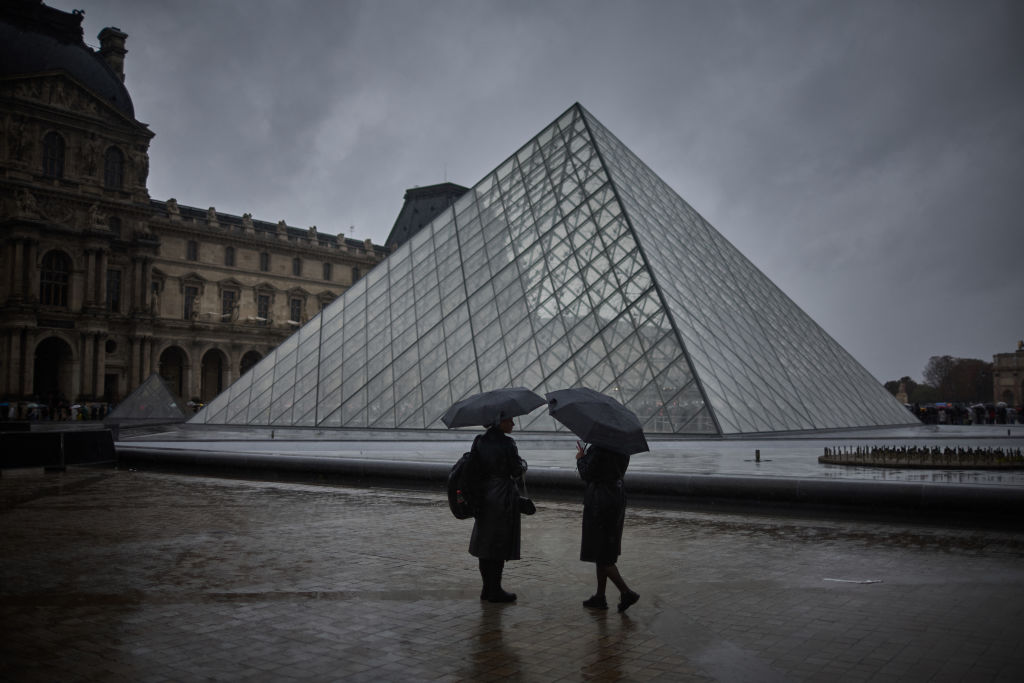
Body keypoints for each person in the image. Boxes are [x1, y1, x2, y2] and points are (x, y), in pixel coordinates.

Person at [466, 417, 526, 603]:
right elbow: (516, 470)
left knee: (485, 543)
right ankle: (496, 590)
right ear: (499, 422)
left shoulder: (479, 440)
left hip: (483, 496)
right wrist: (523, 464)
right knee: (499, 544)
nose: (513, 424)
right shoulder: (508, 443)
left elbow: (474, 467)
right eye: (509, 421)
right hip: (502, 497)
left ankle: (487, 588)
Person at [576, 441, 639, 612]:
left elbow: (586, 473)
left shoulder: (599, 448)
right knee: (604, 550)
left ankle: (626, 592)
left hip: (599, 501)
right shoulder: (622, 447)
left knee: (601, 553)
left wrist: (581, 458)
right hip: (616, 497)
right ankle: (600, 596)